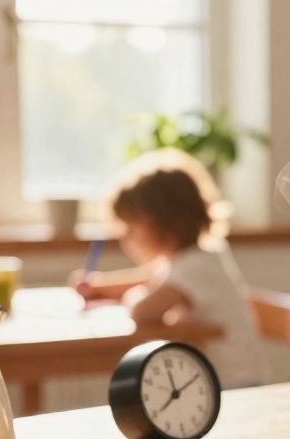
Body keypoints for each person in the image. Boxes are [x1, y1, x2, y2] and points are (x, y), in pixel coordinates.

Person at [74, 148, 268, 389]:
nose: (126, 239)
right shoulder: (197, 257)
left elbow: (142, 312)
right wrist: (99, 288)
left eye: (131, 228)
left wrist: (133, 297)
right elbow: (150, 279)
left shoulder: (196, 267)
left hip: (232, 389)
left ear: (166, 223)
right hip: (219, 384)